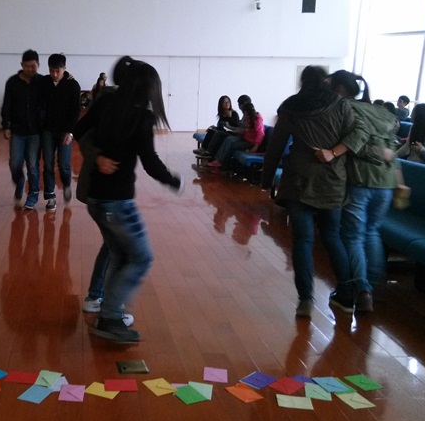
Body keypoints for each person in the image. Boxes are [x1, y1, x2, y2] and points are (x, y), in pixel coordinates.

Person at [73, 58, 183, 343]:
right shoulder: (141, 116)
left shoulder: (105, 102)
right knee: (141, 257)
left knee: (120, 255)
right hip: (117, 202)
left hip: (96, 198)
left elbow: (79, 130)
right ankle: (110, 316)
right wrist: (174, 180)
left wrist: (96, 156)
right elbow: (150, 162)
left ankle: (109, 312)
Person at [260, 65, 367, 319]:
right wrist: (334, 152)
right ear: (325, 82)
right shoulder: (340, 105)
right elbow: (360, 133)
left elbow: (276, 145)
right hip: (332, 181)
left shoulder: (291, 107)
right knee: (332, 237)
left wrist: (266, 179)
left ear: (303, 81)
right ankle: (346, 295)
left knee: (303, 240)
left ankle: (305, 300)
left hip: (299, 181)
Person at [328, 70, 402, 313]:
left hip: (360, 180)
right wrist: (399, 180)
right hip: (386, 183)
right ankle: (372, 282)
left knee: (353, 236)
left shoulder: (344, 109)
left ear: (339, 88)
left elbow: (353, 144)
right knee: (372, 232)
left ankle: (362, 289)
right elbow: (391, 150)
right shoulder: (381, 111)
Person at [1, 50, 43, 210]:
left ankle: (33, 195)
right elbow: (7, 105)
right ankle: (19, 182)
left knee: (32, 165)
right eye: (27, 66)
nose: (30, 69)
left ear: (38, 65)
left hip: (35, 131)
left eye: (33, 66)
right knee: (15, 164)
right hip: (17, 131)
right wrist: (6, 125)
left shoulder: (42, 82)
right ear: (21, 65)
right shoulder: (12, 82)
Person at [40, 53, 81, 211]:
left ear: (64, 68)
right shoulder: (44, 82)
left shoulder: (73, 85)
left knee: (63, 165)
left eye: (57, 71)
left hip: (65, 131)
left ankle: (67, 185)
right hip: (47, 130)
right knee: (48, 164)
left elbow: (75, 111)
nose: (54, 74)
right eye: (51, 71)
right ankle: (50, 197)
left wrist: (70, 132)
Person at [206, 102, 264, 169]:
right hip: (245, 137)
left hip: (251, 142)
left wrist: (256, 146)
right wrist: (240, 130)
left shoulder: (257, 119)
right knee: (229, 139)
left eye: (245, 114)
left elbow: (260, 133)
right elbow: (246, 129)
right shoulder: (248, 118)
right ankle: (218, 160)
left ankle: (222, 163)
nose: (245, 115)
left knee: (231, 146)